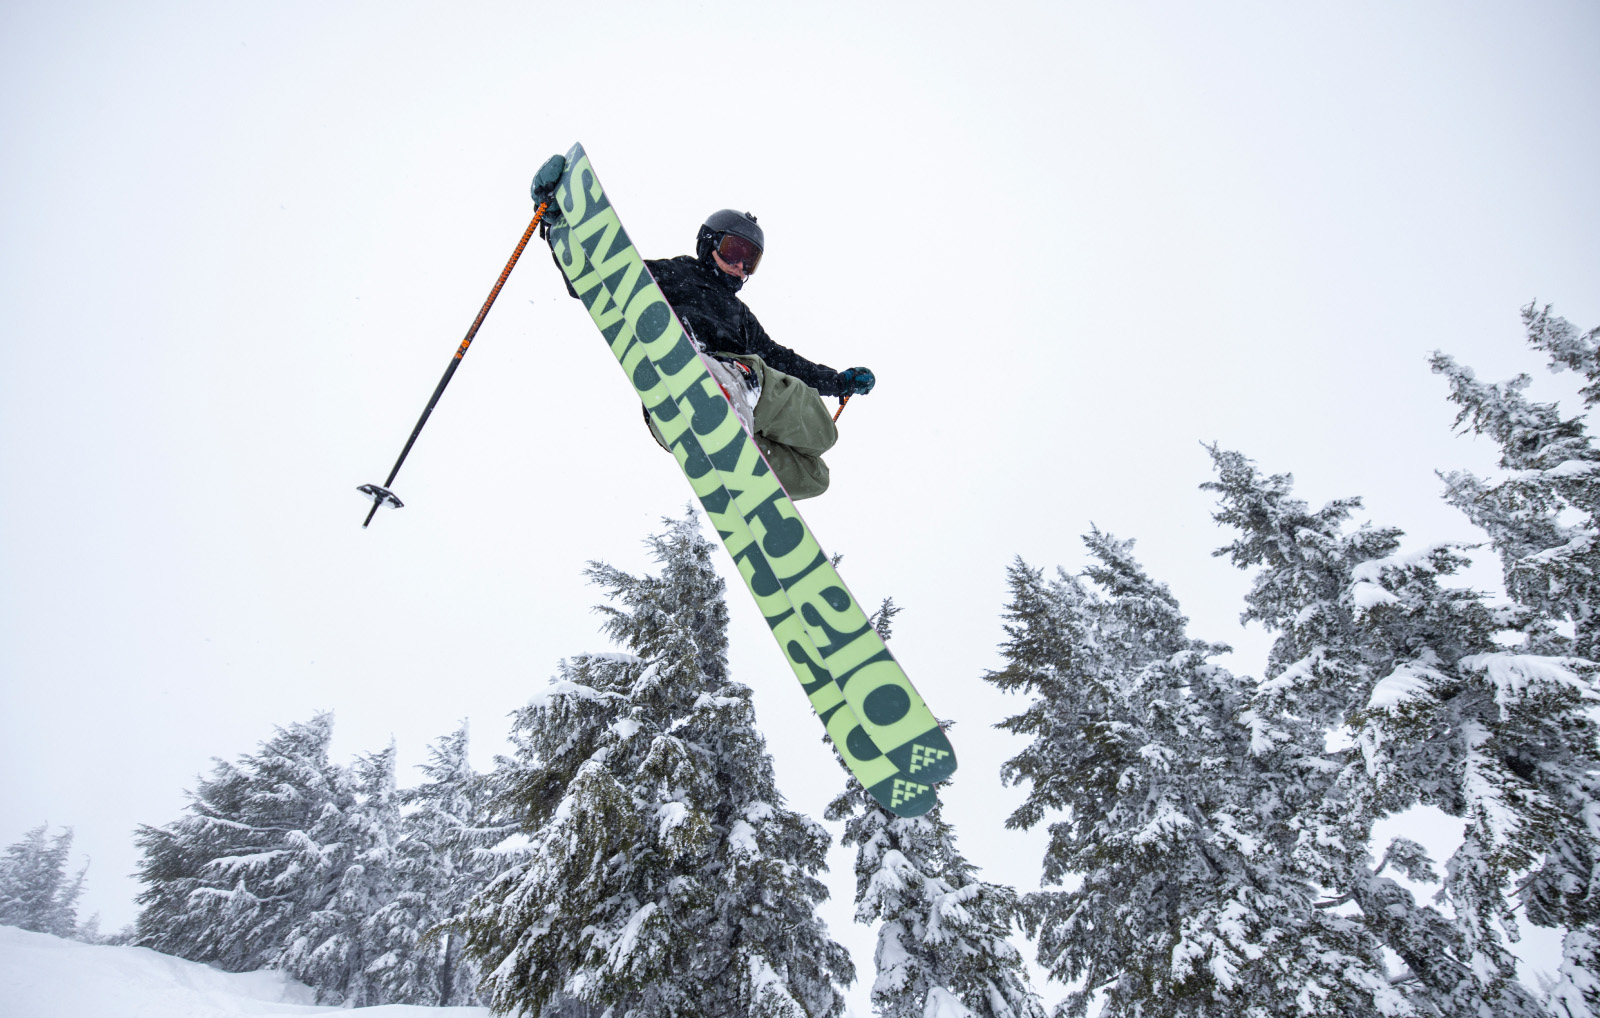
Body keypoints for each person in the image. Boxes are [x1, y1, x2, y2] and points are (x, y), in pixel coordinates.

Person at [531, 155, 874, 500]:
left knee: (818, 469)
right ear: (709, 244)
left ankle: (740, 464)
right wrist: (556, 222)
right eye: (734, 249)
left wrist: (837, 382)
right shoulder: (678, 273)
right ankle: (720, 388)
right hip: (698, 377)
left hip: (680, 423)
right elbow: (598, 278)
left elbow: (780, 358)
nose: (740, 265)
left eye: (750, 260)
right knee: (792, 397)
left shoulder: (741, 315)